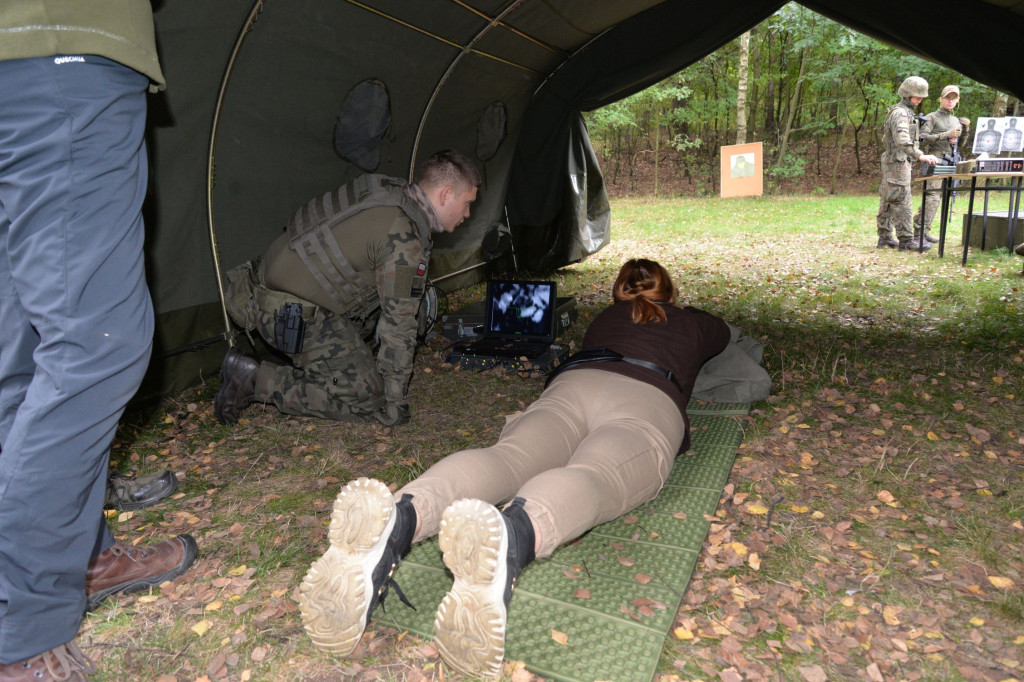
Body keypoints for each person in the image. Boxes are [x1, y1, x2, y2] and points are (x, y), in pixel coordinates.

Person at [297, 258, 731, 679]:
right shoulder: (692, 323)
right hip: (646, 396)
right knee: (594, 473)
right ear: (669, 292)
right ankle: (513, 533)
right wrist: (682, 310)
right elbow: (724, 335)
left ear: (619, 291)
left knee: (508, 458)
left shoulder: (604, 320)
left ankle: (401, 513)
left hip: (574, 383)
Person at [0, 5, 200, 680]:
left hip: (20, 61)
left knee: (21, 354)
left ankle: (73, 561)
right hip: (59, 46)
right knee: (96, 347)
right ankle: (23, 626)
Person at [214, 150, 481, 427]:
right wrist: (394, 401)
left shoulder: (389, 191)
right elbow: (398, 325)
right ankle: (254, 380)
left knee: (411, 304)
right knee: (366, 396)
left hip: (266, 288)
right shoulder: (404, 240)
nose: (467, 213)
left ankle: (338, 361)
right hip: (287, 312)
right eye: (467, 203)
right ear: (446, 194)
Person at [876, 76, 942, 251]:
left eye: (921, 97)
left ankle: (884, 237)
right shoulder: (901, 113)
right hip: (897, 162)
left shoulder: (903, 112)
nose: (919, 99)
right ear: (906, 94)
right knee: (902, 198)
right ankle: (906, 240)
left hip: (894, 161)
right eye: (916, 96)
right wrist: (920, 155)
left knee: (889, 197)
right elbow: (902, 139)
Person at [912, 85, 965, 245]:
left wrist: (966, 130)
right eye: (948, 98)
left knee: (938, 197)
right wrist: (945, 135)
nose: (950, 101)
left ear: (957, 101)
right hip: (934, 159)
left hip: (950, 160)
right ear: (941, 99)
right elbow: (921, 138)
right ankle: (918, 233)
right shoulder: (931, 117)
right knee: (932, 196)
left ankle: (924, 231)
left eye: (953, 98)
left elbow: (960, 143)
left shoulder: (956, 120)